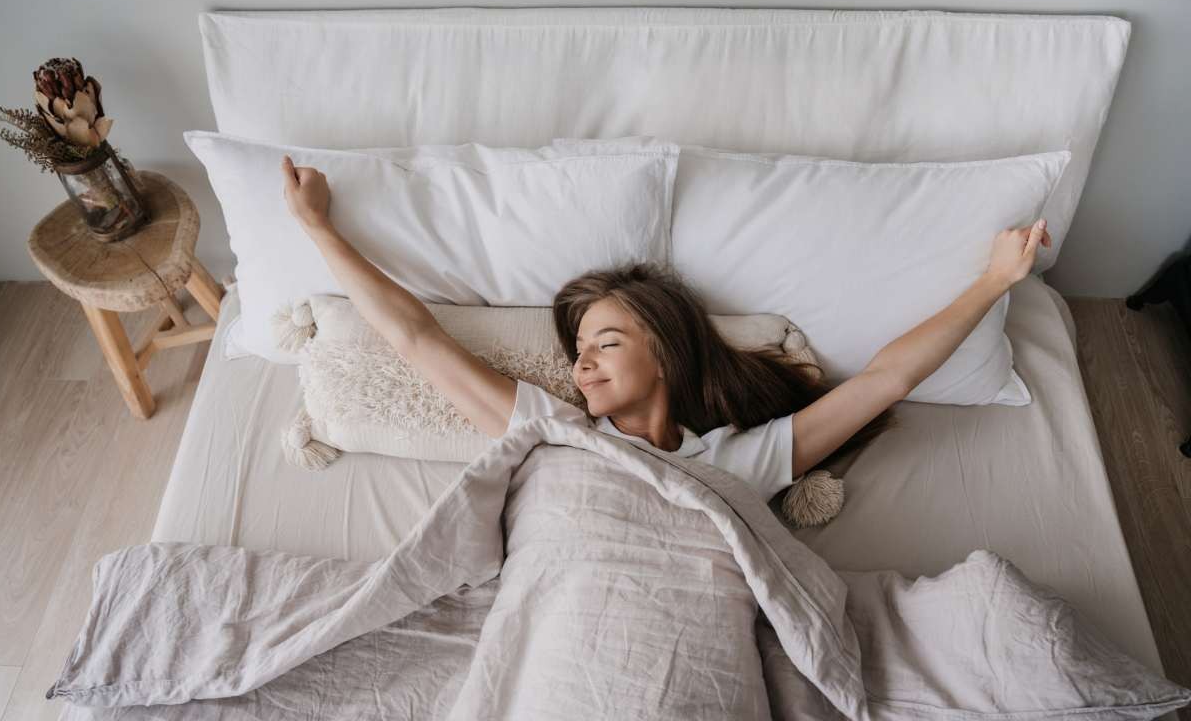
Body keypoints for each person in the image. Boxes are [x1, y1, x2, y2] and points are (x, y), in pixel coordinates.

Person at [281, 155, 1052, 502]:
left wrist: (993, 281)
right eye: (579, 353)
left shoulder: (741, 462)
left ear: (668, 354)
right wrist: (318, 231)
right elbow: (417, 340)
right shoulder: (549, 430)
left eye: (605, 344)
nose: (580, 368)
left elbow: (889, 379)